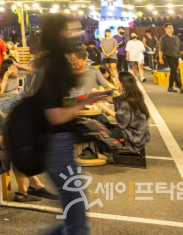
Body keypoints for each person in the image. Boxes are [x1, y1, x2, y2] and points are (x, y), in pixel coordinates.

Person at [37, 14, 109, 233]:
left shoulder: (49, 59)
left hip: (54, 141)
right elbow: (54, 114)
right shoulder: (56, 63)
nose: (74, 34)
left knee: (74, 216)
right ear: (58, 33)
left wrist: (83, 122)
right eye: (69, 30)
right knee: (77, 219)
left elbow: (56, 105)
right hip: (56, 144)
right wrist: (86, 103)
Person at [106, 71, 150, 153]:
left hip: (134, 135)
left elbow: (120, 117)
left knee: (103, 133)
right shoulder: (133, 94)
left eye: (117, 80)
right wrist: (98, 95)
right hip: (140, 132)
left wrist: (103, 107)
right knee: (105, 126)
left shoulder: (128, 100)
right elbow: (113, 100)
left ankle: (117, 148)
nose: (115, 81)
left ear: (123, 83)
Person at [159, 23, 183, 93]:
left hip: (176, 56)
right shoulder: (163, 38)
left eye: (172, 28)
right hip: (168, 56)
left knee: (173, 72)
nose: (171, 29)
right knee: (174, 69)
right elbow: (161, 49)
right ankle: (180, 86)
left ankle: (170, 87)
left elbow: (182, 48)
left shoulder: (176, 37)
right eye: (169, 28)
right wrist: (160, 58)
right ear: (165, 29)